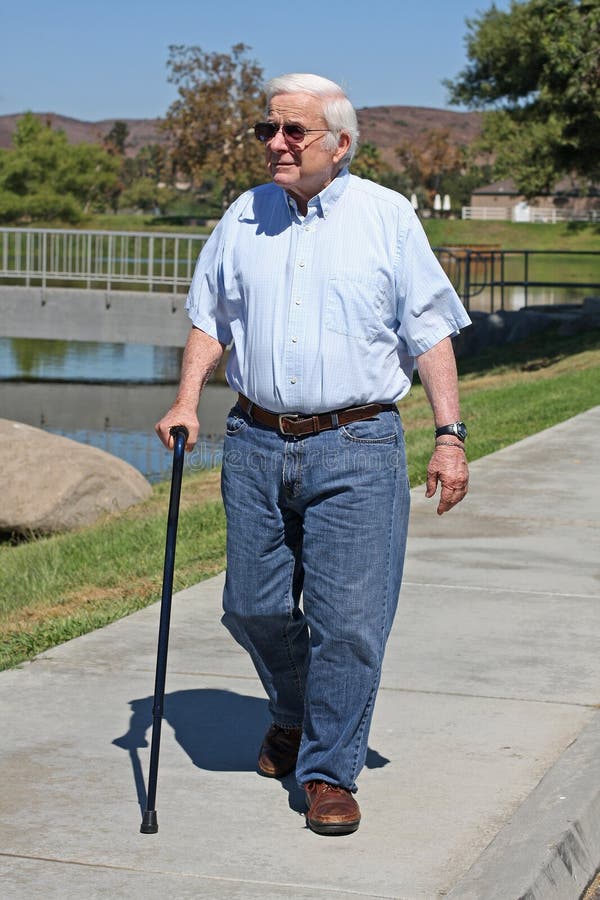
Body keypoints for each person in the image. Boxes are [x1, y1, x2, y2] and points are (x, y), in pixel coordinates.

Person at [156, 72, 470, 836]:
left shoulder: (388, 219)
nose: (276, 143)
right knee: (252, 606)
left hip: (359, 444)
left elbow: (429, 331)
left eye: (293, 132)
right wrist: (188, 400)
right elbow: (211, 318)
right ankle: (294, 711)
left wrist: (449, 435)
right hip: (257, 440)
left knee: (351, 623)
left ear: (341, 143)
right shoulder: (242, 216)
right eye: (268, 129)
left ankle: (328, 770)